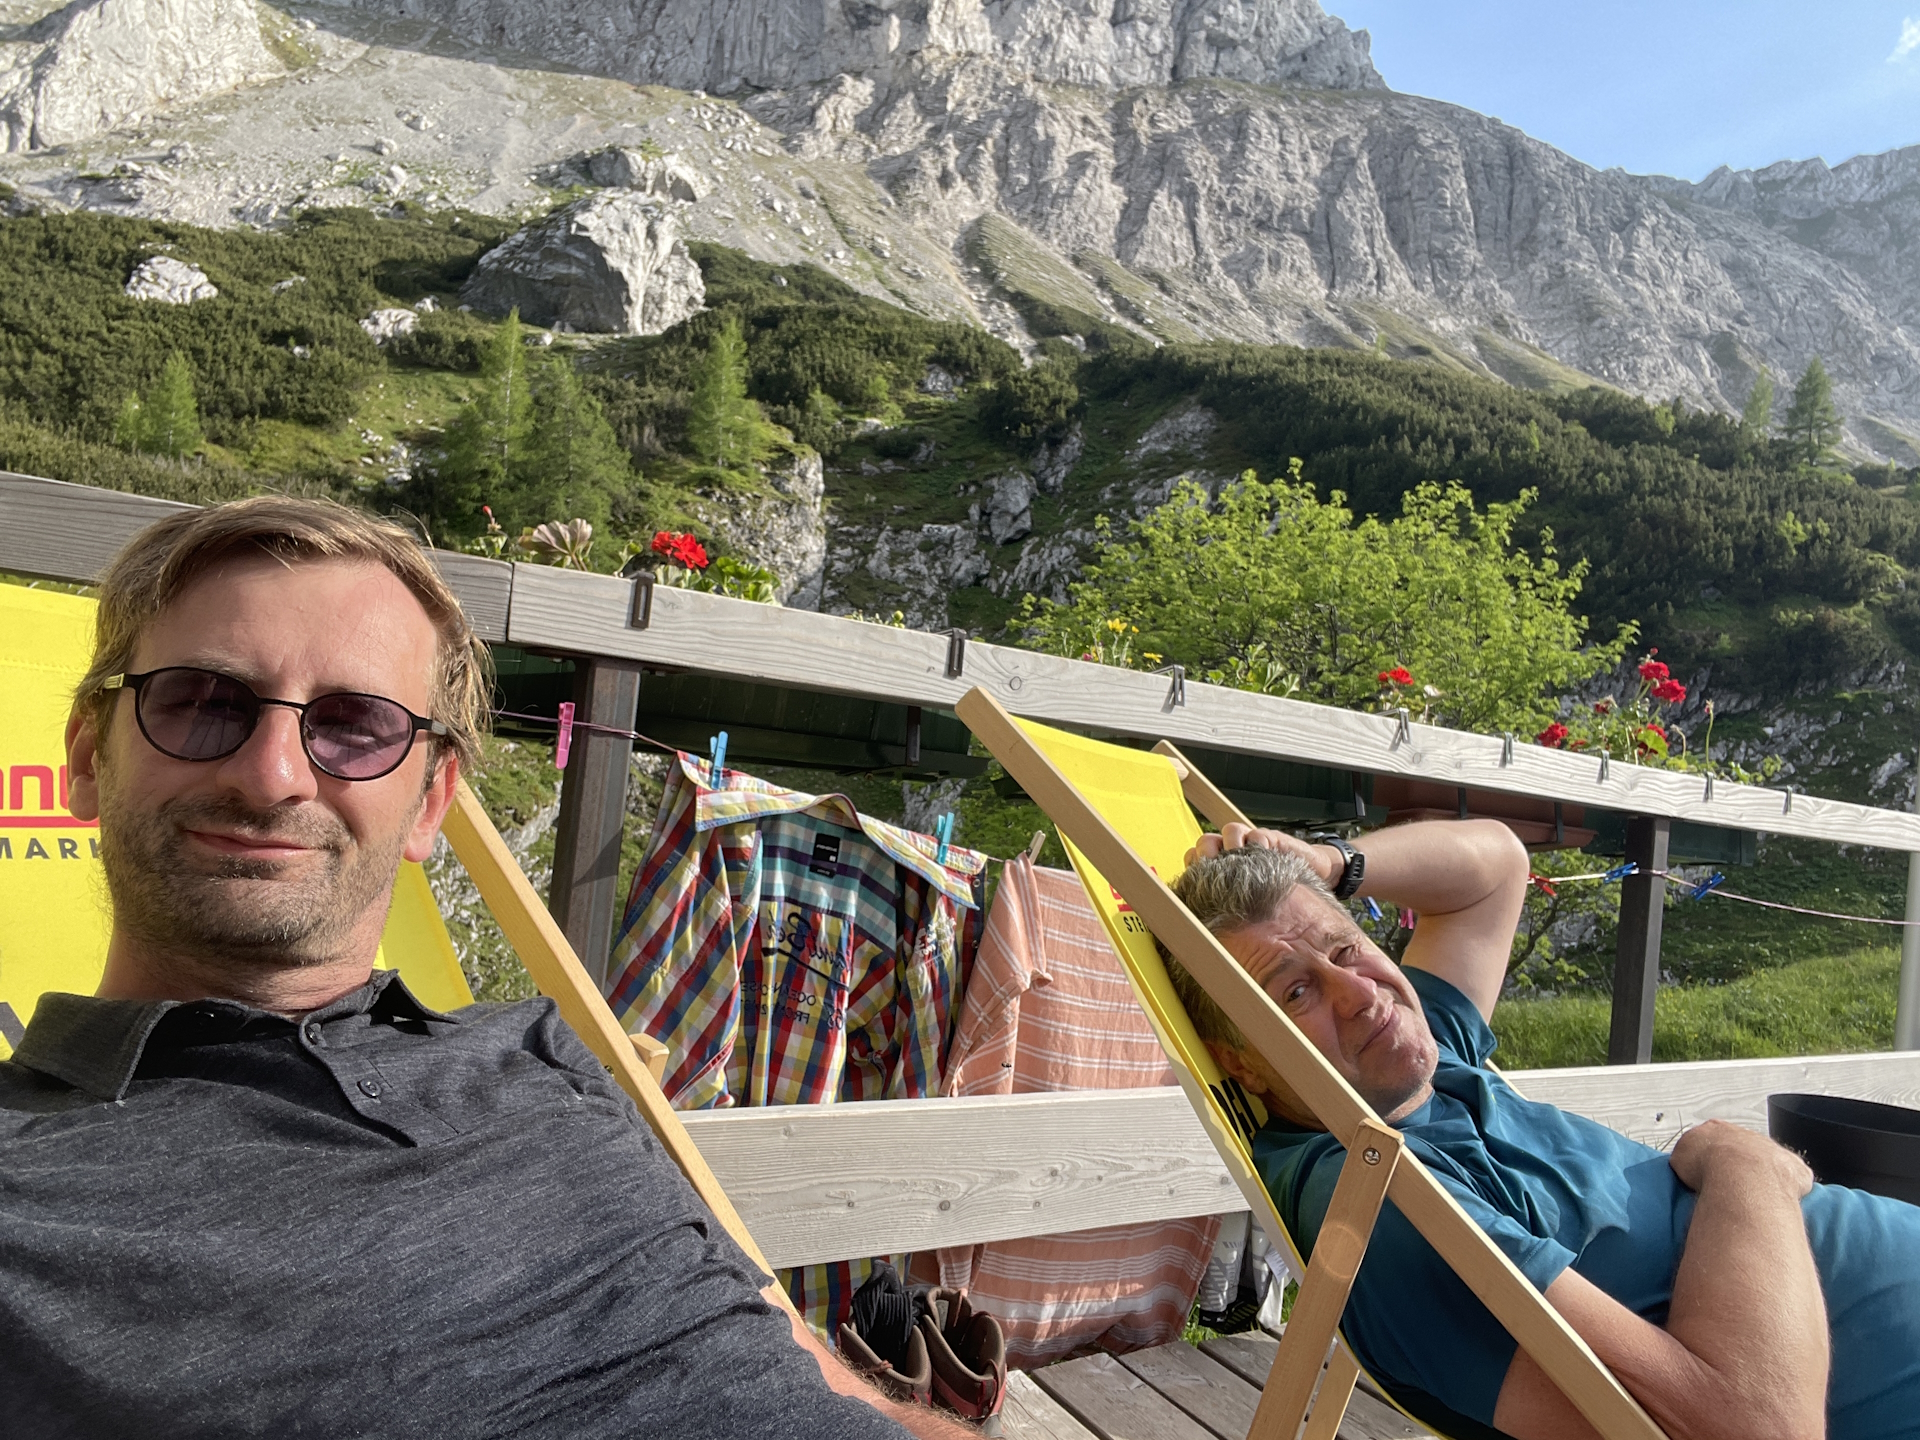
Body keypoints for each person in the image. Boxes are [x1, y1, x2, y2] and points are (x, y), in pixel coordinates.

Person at [0, 497, 978, 1440]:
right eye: (205, 703)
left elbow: (790, 1360)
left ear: (431, 805)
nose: (274, 774)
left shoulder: (544, 1058)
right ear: (88, 757)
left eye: (353, 725)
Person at [1161, 819, 1920, 1440]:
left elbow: (1495, 867)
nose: (1359, 995)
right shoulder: (1381, 1197)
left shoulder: (1418, 1057)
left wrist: (1329, 862)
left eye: (1346, 948)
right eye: (1295, 992)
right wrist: (1747, 1168)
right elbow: (1761, 1432)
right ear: (1241, 1062)